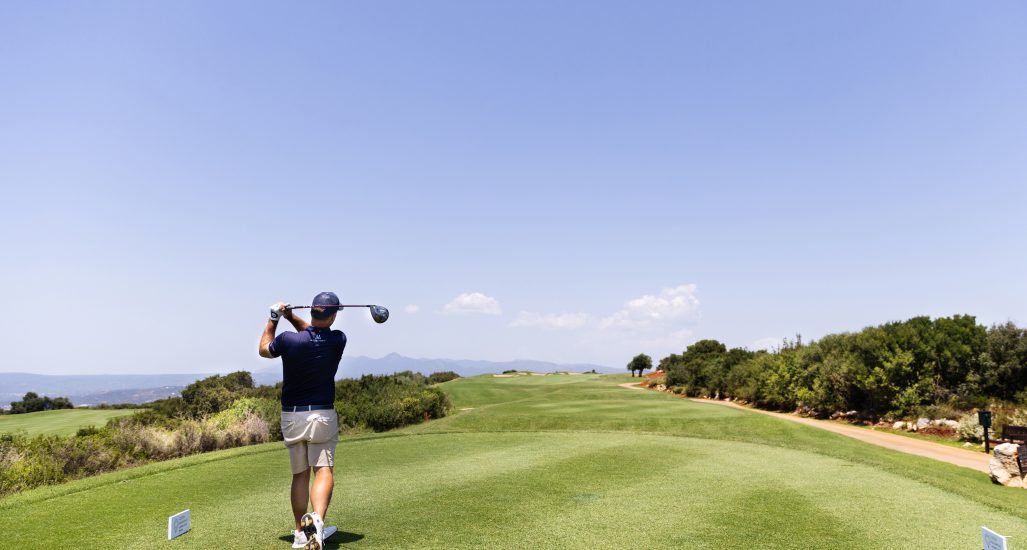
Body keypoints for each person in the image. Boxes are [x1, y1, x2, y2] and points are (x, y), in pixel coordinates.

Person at [259, 291, 346, 550]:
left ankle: (300, 533)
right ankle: (316, 524)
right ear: (332, 316)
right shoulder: (337, 339)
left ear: (312, 311)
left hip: (291, 415)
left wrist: (275, 318)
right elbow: (315, 333)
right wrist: (290, 317)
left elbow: (264, 350)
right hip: (321, 415)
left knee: (299, 475)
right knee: (323, 470)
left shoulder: (288, 341)